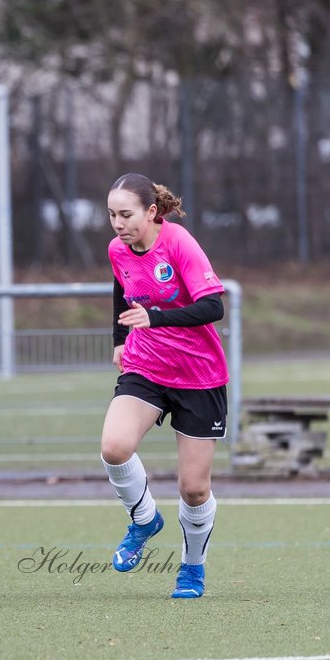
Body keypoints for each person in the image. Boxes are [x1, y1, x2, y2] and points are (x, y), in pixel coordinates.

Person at [101, 172, 228, 599]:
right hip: (147, 365)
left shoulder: (178, 243)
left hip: (199, 374)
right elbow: (122, 290)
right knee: (114, 446)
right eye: (111, 215)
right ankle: (143, 519)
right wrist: (121, 340)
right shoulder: (118, 249)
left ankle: (192, 569)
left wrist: (154, 318)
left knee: (193, 488)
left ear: (151, 212)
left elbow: (212, 307)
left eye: (126, 214)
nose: (117, 224)